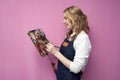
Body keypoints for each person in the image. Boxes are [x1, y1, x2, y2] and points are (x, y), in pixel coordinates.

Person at [46, 6, 92, 80]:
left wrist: (55, 53)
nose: (63, 22)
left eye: (66, 18)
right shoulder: (70, 35)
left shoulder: (83, 38)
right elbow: (66, 55)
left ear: (75, 18)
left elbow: (76, 68)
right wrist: (52, 49)